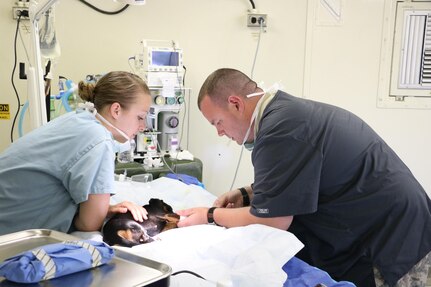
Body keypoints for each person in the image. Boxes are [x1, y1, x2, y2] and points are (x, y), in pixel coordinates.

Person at [177, 68, 431, 286]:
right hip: (394, 216)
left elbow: (273, 220)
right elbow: (298, 173)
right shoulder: (284, 114)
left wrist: (209, 216)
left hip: (391, 235)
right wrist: (245, 193)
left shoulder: (281, 130)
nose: (220, 133)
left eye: (217, 122)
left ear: (235, 103)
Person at [0, 71, 151, 236]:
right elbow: (89, 224)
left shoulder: (77, 119)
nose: (143, 126)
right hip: (8, 236)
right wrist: (99, 213)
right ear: (116, 110)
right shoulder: (99, 140)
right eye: (140, 117)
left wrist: (105, 209)